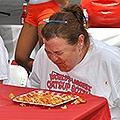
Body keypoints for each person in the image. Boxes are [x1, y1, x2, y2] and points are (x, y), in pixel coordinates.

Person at [27, 4, 120, 119]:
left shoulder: (110, 60)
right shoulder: (44, 53)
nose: (53, 58)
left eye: (58, 53)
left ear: (80, 42)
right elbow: (34, 87)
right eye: (48, 52)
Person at [15, 0, 69, 72]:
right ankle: (43, 75)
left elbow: (65, 2)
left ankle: (50, 76)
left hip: (48, 11)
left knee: (47, 57)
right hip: (32, 11)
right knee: (20, 57)